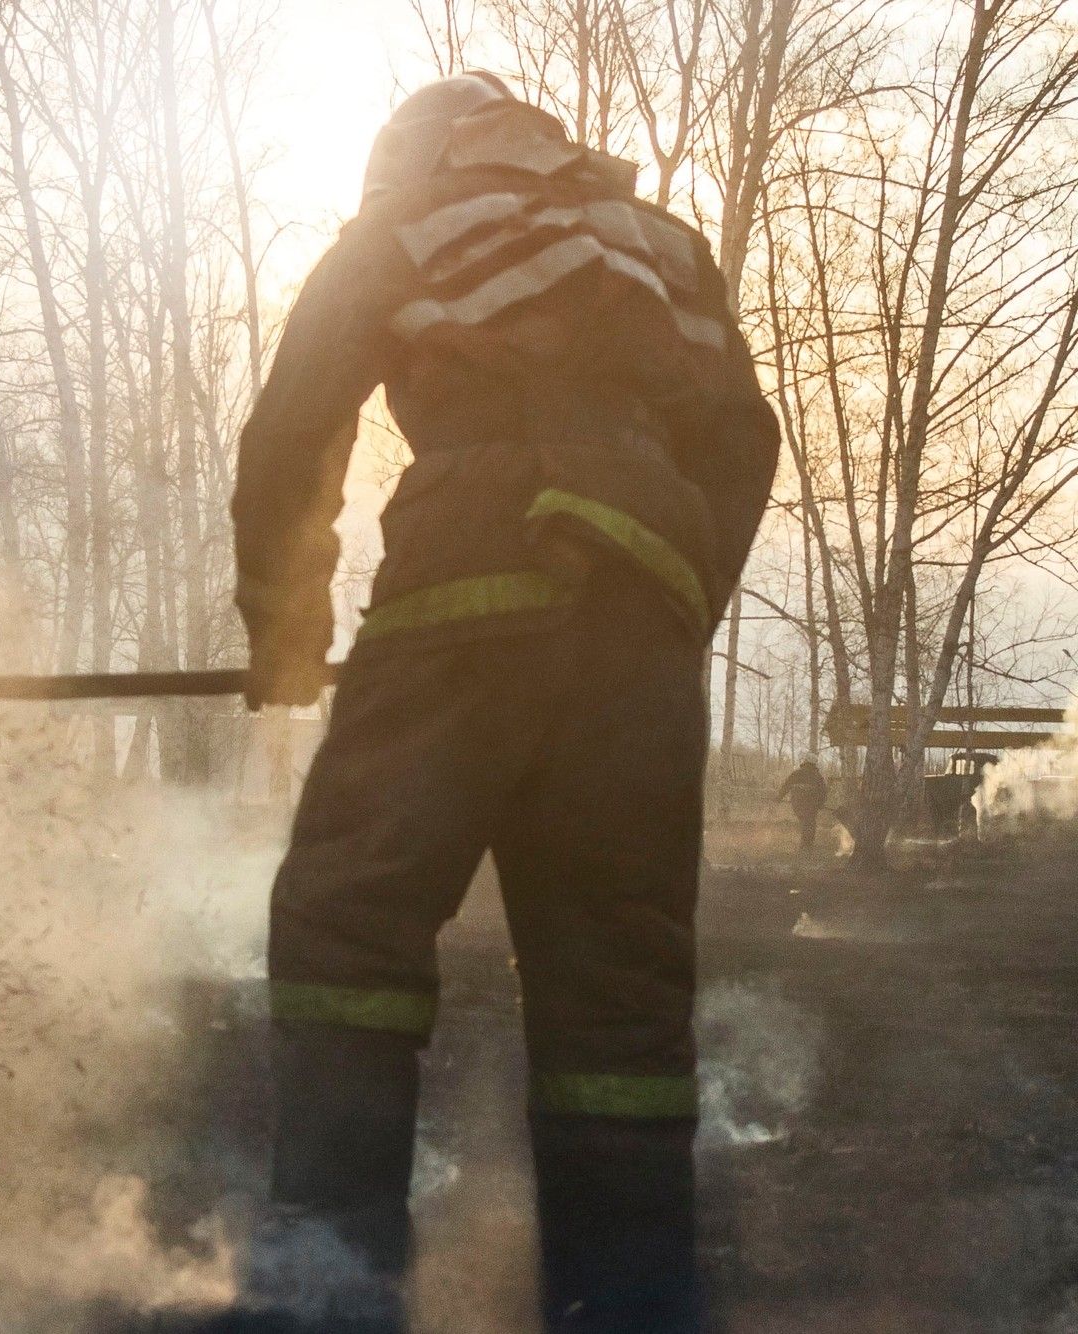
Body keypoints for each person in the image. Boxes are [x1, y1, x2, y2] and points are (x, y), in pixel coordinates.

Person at [225, 73, 780, 1332]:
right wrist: (671, 599)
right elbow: (744, 438)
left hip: (473, 553)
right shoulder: (664, 247)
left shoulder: (409, 223)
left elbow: (293, 429)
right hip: (639, 602)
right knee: (616, 989)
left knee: (345, 920)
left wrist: (287, 630)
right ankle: (628, 1300)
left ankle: (328, 1289)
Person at [775, 760, 829, 852]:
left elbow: (786, 786)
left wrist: (779, 798)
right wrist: (821, 804)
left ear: (804, 764)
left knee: (805, 822)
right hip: (812, 805)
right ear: (814, 765)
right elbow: (823, 792)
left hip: (798, 804)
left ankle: (805, 845)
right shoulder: (817, 776)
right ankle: (808, 845)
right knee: (810, 823)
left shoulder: (796, 773)